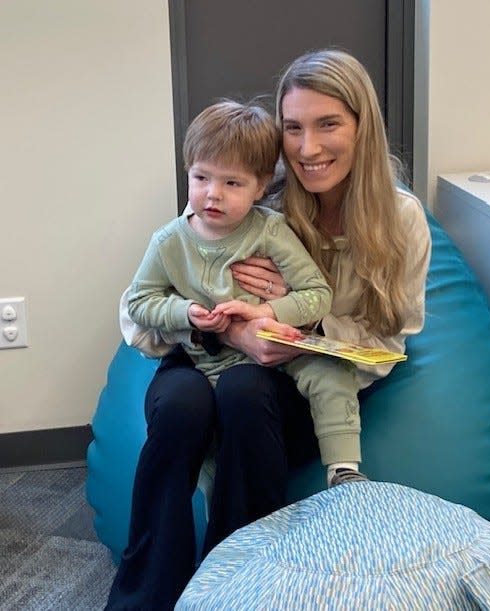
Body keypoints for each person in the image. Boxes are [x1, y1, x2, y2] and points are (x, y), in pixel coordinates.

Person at [107, 49, 431, 610]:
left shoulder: (399, 219)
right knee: (186, 403)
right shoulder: (254, 195)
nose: (308, 148)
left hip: (309, 378)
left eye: (328, 124)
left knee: (244, 391)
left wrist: (292, 318)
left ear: (364, 127)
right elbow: (136, 313)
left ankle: (236, 584)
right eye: (293, 127)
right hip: (207, 351)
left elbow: (388, 342)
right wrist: (224, 330)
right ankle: (145, 595)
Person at [127, 98, 369, 493]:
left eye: (232, 183)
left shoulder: (270, 229)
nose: (212, 195)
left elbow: (316, 294)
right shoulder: (170, 240)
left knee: (331, 370)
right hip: (208, 360)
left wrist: (267, 314)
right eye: (201, 178)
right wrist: (186, 312)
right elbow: (138, 302)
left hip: (277, 358)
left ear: (260, 187)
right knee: (189, 408)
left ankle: (343, 471)